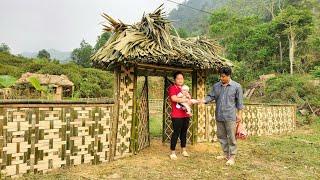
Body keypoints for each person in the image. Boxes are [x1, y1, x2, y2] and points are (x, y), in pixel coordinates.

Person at [201, 66, 244, 165]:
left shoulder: (237, 86)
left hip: (230, 116)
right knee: (221, 136)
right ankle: (225, 154)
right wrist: (203, 100)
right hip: (219, 115)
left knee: (231, 137)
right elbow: (211, 96)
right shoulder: (216, 86)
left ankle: (232, 157)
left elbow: (240, 103)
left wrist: (239, 115)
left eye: (223, 76)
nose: (221, 78)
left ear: (229, 76)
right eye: (220, 76)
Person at [168, 71, 197, 160]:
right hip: (176, 115)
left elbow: (189, 101)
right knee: (176, 132)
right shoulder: (173, 88)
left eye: (181, 78)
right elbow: (173, 98)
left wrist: (188, 101)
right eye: (178, 78)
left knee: (184, 132)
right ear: (175, 80)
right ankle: (172, 152)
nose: (180, 80)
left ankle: (183, 150)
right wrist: (184, 99)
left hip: (185, 115)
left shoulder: (185, 89)